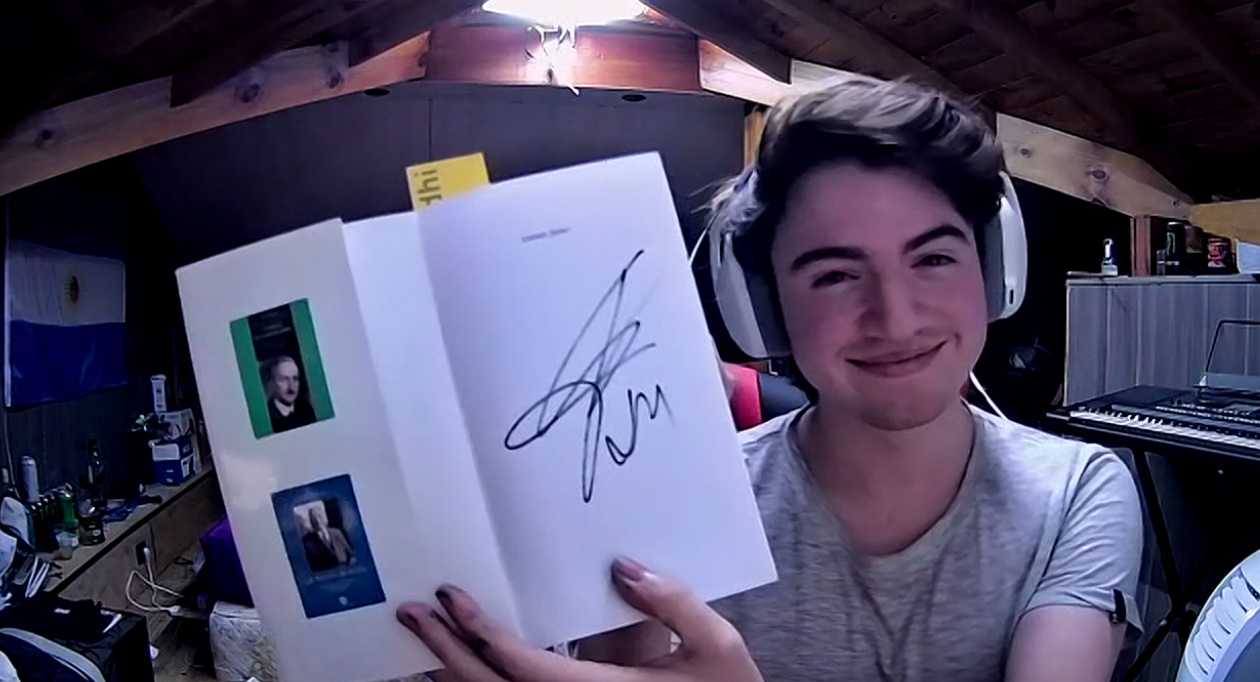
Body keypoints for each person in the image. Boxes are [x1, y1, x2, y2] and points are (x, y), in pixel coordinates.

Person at [397, 75, 1143, 682]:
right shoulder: (682, 503)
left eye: (933, 258)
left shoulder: (1076, 494)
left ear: (993, 270)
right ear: (762, 308)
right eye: (835, 275)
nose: (894, 316)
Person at [262, 355, 316, 433]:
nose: (291, 387)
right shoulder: (267, 416)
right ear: (271, 383)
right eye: (284, 379)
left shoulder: (307, 410)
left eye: (295, 379)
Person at [301, 505, 354, 572]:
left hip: (345, 568)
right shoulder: (309, 541)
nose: (318, 521)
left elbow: (349, 550)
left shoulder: (336, 532)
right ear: (311, 521)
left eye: (319, 517)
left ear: (324, 517)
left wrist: (352, 560)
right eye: (314, 519)